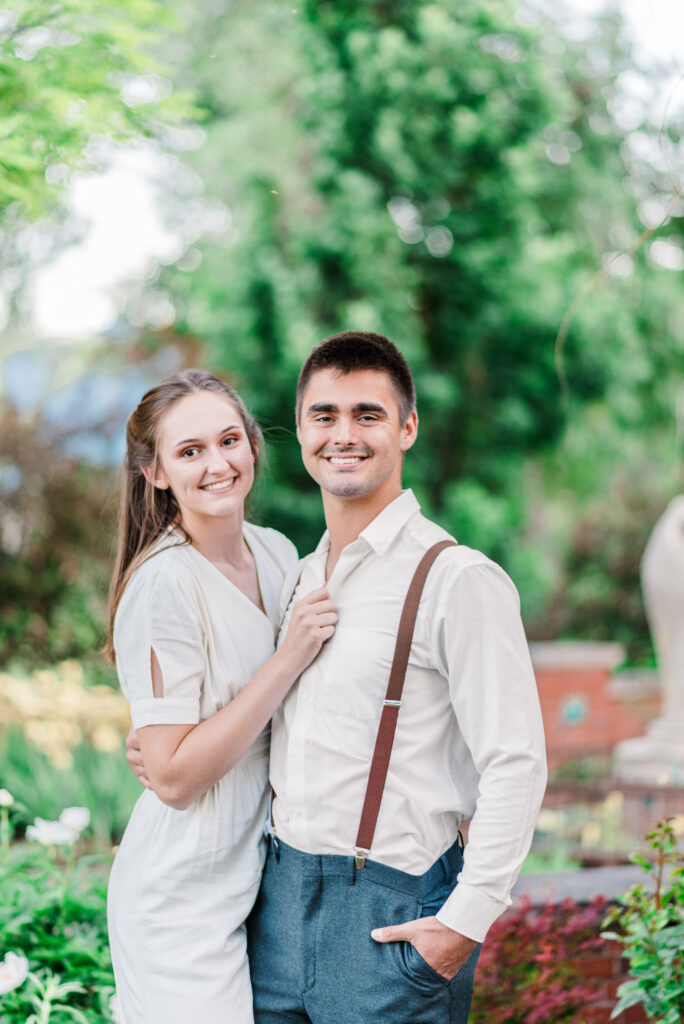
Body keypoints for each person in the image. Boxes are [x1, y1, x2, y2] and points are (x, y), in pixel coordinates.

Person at [128, 333, 547, 1024]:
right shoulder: (299, 574)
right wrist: (158, 741)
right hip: (274, 906)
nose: (343, 435)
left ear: (407, 427)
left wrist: (465, 923)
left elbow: (517, 762)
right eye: (324, 415)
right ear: (298, 432)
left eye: (368, 415)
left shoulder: (455, 579)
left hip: (391, 912)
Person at [106, 369, 336, 1024]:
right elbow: (175, 778)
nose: (217, 464)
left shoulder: (277, 553)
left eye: (229, 440)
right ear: (156, 474)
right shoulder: (164, 585)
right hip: (178, 900)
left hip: (253, 883)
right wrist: (287, 657)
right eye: (189, 451)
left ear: (254, 447)